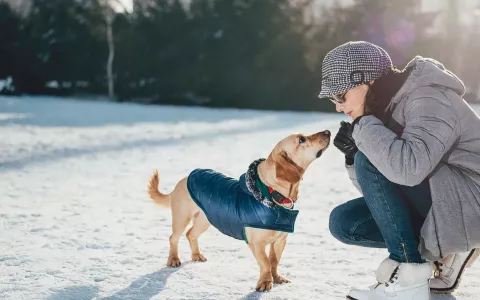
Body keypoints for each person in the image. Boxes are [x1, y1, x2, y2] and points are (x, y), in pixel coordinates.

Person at [319, 41, 480, 300]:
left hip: (472, 202)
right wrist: (354, 154)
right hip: (447, 202)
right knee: (345, 222)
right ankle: (445, 253)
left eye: (340, 95)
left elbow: (408, 171)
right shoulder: (386, 109)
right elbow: (383, 194)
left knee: (371, 160)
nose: (338, 106)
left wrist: (364, 128)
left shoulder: (428, 97)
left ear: (365, 82)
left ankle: (409, 276)